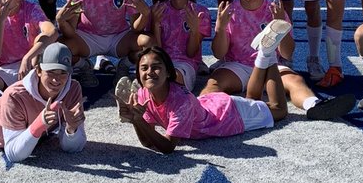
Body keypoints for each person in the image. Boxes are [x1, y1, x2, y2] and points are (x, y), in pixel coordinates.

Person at [202, 0, 354, 121]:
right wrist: (220, 29)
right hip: (238, 66)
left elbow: (287, 53)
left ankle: (315, 105)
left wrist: (280, 24)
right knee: (214, 83)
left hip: (270, 65)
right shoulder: (229, 12)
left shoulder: (274, 10)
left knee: (295, 80)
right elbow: (219, 54)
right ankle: (203, 110)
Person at [115, 45, 276, 154]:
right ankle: (264, 60)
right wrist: (136, 120)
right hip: (209, 103)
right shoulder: (143, 93)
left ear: (168, 72)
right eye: (144, 68)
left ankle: (268, 54)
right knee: (254, 100)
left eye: (156, 67)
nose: (149, 72)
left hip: (229, 114)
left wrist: (139, 121)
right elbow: (147, 142)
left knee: (277, 109)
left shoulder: (180, 101)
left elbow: (168, 147)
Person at [137, 0, 211, 91]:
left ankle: (144, 92)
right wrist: (155, 24)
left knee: (172, 77)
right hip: (162, 60)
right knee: (154, 76)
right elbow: (157, 49)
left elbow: (191, 53)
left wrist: (194, 30)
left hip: (185, 63)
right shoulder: (158, 10)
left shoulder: (200, 12)